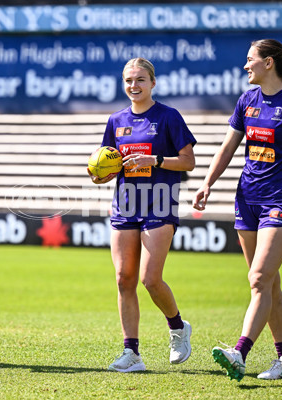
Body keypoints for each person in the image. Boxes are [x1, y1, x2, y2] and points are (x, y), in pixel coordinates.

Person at [193, 39, 282, 381]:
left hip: (281, 202)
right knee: (268, 285)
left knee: (258, 279)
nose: (245, 66)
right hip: (247, 201)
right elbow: (227, 148)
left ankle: (239, 353)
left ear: (268, 63)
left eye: (250, 59)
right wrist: (207, 183)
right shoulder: (247, 100)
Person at [89, 58, 197, 372]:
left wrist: (154, 159)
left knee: (150, 279)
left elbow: (188, 161)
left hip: (160, 204)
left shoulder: (168, 117)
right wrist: (101, 174)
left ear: (152, 83)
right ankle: (131, 353)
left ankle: (177, 327)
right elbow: (108, 161)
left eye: (140, 80)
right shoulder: (116, 120)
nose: (133, 86)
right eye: (128, 81)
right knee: (124, 279)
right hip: (125, 204)